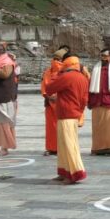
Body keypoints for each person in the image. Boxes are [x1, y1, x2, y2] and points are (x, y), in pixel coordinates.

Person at [45, 55, 89, 184]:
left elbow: (49, 88)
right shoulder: (82, 78)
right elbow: (84, 99)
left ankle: (74, 174)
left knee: (68, 145)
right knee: (64, 145)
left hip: (66, 113)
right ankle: (64, 171)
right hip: (73, 113)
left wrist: (58, 72)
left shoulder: (66, 76)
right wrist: (79, 111)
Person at [40, 49, 66, 156]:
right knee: (51, 127)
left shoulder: (66, 71)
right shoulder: (48, 71)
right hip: (50, 103)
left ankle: (61, 148)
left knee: (61, 126)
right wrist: (48, 96)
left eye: (58, 59)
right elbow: (44, 86)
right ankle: (52, 148)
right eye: (54, 59)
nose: (56, 62)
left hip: (62, 103)